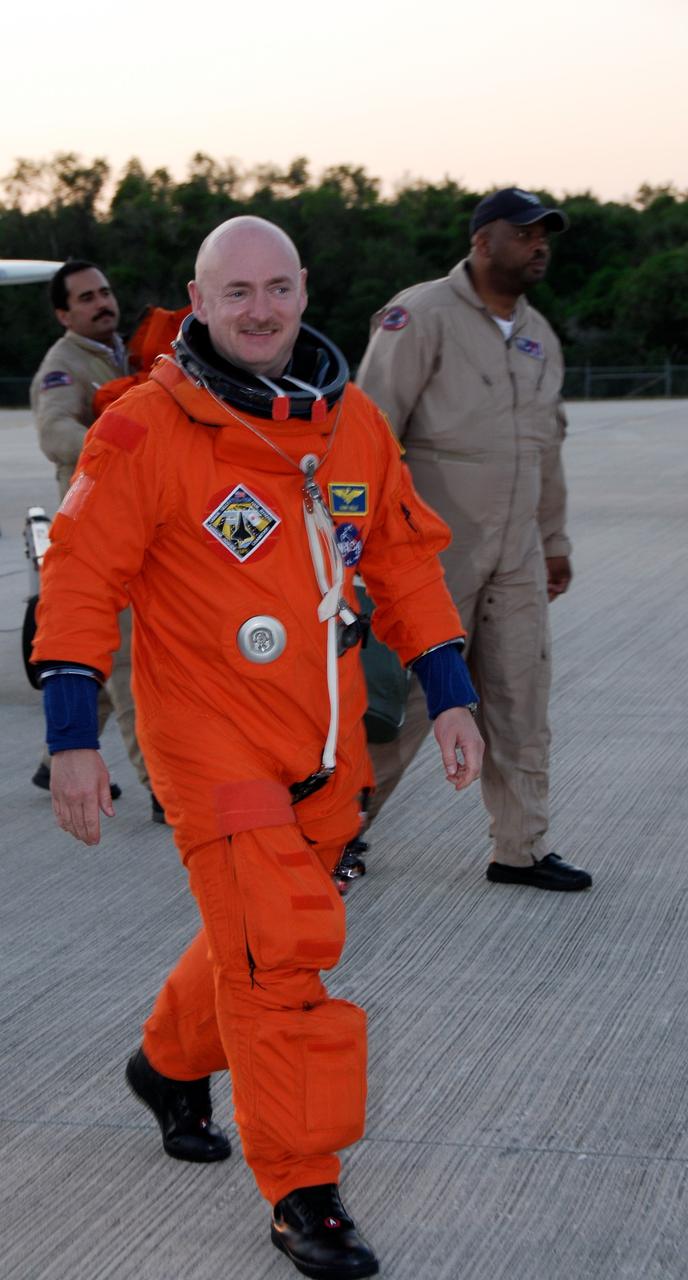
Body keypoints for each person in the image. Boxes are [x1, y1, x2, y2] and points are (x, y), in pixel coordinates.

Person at [32, 216, 484, 1280]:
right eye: (234, 292)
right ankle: (303, 1186)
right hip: (204, 735)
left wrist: (450, 693)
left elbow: (406, 563)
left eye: (277, 287)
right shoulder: (142, 429)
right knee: (281, 944)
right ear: (196, 300)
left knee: (250, 928)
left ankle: (167, 1061)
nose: (260, 309)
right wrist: (71, 738)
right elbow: (83, 580)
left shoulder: (352, 423)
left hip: (320, 739)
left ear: (302, 289)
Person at [357, 187, 592, 893]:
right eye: (525, 234)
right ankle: (334, 833)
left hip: (517, 553)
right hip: (432, 551)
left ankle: (520, 848)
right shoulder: (419, 316)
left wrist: (553, 541)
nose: (539, 245)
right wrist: (363, 545)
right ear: (483, 240)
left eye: (545, 235)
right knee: (405, 703)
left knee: (522, 699)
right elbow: (368, 436)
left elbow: (546, 450)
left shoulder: (537, 335)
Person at [30, 260, 161, 820]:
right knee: (131, 662)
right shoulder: (61, 367)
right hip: (96, 532)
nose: (101, 303)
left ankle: (45, 764)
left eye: (105, 292)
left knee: (108, 660)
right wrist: (113, 448)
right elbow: (54, 431)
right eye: (86, 298)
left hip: (135, 522)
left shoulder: (121, 353)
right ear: (64, 313)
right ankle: (164, 789)